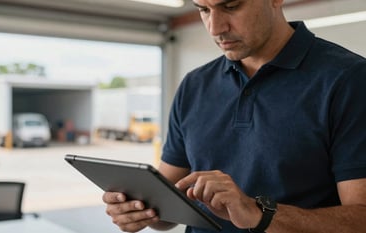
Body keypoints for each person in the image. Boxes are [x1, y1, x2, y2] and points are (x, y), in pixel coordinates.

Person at [103, 0, 366, 232]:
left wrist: (258, 214)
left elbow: (361, 217)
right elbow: (166, 208)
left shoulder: (349, 79)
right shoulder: (194, 85)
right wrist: (140, 211)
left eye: (231, 6)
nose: (215, 28)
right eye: (203, 9)